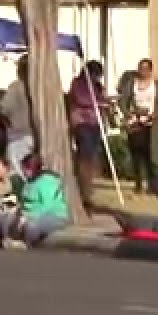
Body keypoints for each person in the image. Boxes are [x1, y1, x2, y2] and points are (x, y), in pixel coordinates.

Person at [119, 58, 158, 194]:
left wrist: (153, 115)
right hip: (135, 122)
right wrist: (129, 114)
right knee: (136, 154)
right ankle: (138, 184)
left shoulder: (156, 85)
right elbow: (123, 101)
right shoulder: (131, 84)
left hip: (150, 123)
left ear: (150, 70)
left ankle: (152, 185)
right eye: (141, 68)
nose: (143, 71)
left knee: (150, 155)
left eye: (146, 69)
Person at [67, 60, 106, 211]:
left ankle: (88, 189)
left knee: (91, 157)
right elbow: (82, 99)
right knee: (84, 156)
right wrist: (99, 102)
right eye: (96, 74)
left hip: (95, 124)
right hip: (82, 123)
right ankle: (83, 191)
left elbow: (102, 99)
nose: (97, 78)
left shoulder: (97, 86)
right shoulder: (78, 84)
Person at [0, 56, 33, 179]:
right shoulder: (42, 87)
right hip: (37, 136)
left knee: (19, 173)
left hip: (18, 137)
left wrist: (8, 124)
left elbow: (4, 110)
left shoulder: (15, 87)